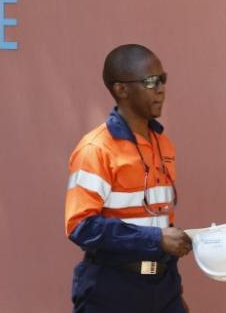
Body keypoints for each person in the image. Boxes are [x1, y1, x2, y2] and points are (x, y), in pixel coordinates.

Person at [64, 44, 192, 313]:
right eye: (149, 81)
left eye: (162, 79)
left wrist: (174, 292)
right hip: (112, 290)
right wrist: (155, 239)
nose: (160, 89)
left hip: (162, 285)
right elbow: (81, 227)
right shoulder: (96, 149)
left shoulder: (163, 144)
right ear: (121, 89)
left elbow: (159, 219)